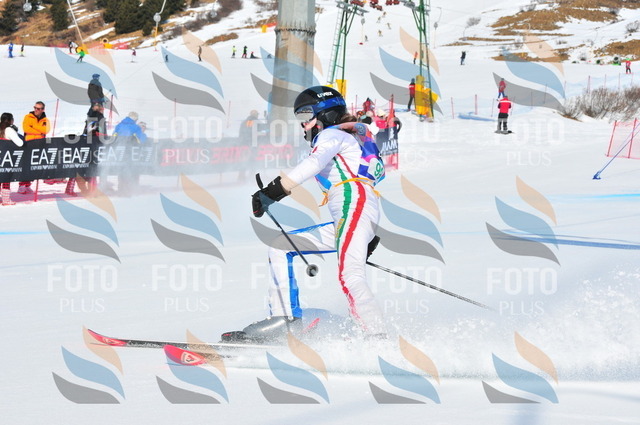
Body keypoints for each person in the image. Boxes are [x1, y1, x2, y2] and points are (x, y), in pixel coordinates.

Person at [233, 86, 387, 342]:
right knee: (281, 246)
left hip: (353, 204)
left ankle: (377, 338)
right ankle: (284, 321)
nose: (303, 125)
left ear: (325, 114)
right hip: (355, 210)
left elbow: (314, 163)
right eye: (300, 119)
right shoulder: (351, 137)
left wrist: (274, 191)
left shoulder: (331, 134)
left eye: (306, 117)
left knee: (350, 276)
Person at [112, 112, 147, 196]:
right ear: (135, 119)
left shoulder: (119, 125)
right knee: (130, 171)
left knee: (121, 171)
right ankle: (130, 190)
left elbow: (113, 137)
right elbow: (141, 140)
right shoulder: (135, 127)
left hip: (119, 152)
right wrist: (144, 135)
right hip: (130, 153)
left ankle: (121, 189)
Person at [19, 102, 50, 194]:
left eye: (38, 108)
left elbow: (46, 130)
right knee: (26, 165)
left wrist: (34, 126)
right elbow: (26, 129)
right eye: (35, 108)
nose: (36, 110)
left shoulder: (45, 120)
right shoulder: (28, 117)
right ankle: (22, 185)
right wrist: (39, 131)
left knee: (34, 166)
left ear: (43, 110)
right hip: (28, 144)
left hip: (39, 144)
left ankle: (28, 185)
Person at [0, 113, 24, 205]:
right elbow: (20, 143)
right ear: (11, 120)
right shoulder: (9, 130)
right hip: (6, 158)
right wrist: (16, 133)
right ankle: (6, 200)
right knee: (5, 178)